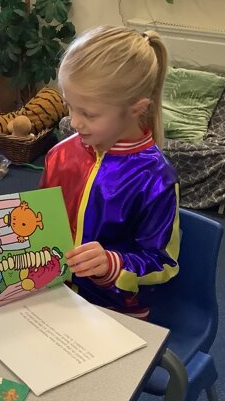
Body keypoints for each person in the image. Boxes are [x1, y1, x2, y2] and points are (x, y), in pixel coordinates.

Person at [40, 25, 179, 319]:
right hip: (54, 295)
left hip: (116, 309)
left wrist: (111, 264)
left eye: (88, 114)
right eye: (69, 106)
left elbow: (163, 265)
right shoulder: (60, 155)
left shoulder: (156, 179)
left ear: (136, 109)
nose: (74, 122)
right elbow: (42, 227)